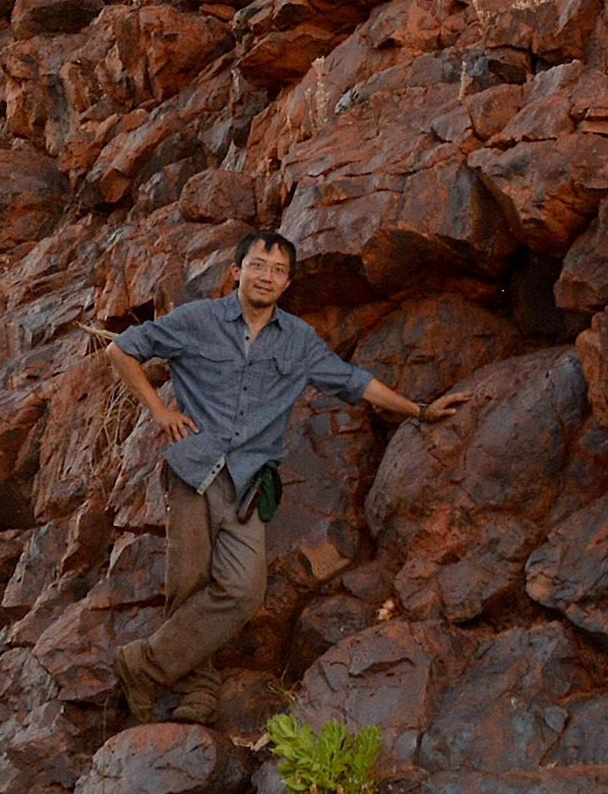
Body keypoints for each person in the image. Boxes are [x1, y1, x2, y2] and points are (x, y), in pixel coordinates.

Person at [101, 230, 469, 725]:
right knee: (188, 584)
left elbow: (354, 382)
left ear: (287, 282)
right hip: (192, 469)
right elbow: (121, 351)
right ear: (237, 271)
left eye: (276, 270)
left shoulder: (298, 341)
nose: (265, 276)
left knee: (243, 590)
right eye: (257, 265)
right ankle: (199, 688)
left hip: (249, 482)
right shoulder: (196, 321)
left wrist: (418, 410)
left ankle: (140, 666)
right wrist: (159, 410)